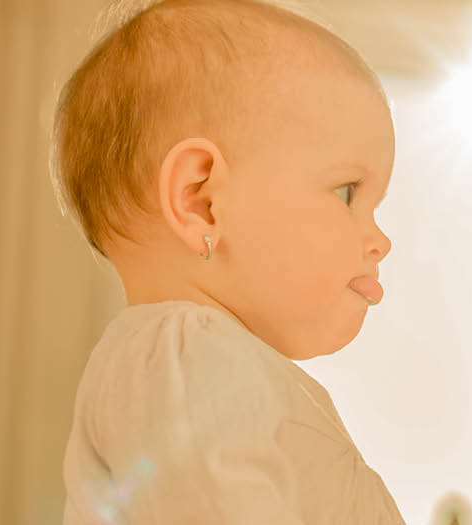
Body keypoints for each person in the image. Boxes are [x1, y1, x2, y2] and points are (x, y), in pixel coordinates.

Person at [54, 0, 404, 522]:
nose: (380, 241)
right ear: (202, 202)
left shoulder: (212, 364)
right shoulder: (182, 352)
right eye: (348, 192)